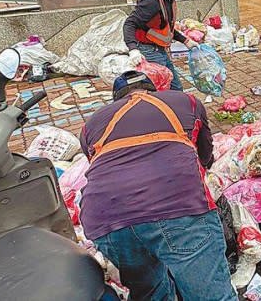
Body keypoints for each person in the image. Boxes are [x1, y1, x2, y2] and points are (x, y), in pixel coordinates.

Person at [79, 71, 236, 301]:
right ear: (154, 89)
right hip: (179, 206)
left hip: (107, 219)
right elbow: (205, 153)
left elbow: (100, 168)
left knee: (150, 291)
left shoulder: (91, 124)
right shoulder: (186, 101)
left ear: (116, 99)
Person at [123, 0, 199, 91]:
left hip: (160, 49)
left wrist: (186, 41)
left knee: (175, 87)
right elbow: (130, 23)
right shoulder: (151, 0)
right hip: (149, 50)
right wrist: (133, 49)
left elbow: (164, 27)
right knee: (161, 90)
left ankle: (176, 109)